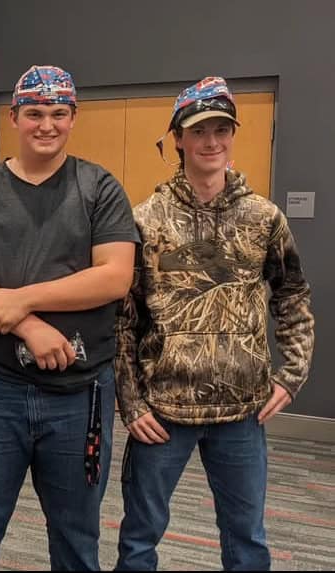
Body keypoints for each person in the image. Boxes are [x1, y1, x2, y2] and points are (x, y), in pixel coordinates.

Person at [0, 65, 138, 571]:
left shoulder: (100, 188)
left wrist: (22, 298)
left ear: (73, 117)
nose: (45, 124)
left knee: (76, 534)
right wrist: (28, 324)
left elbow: (114, 277)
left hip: (79, 391)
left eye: (57, 113)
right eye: (34, 113)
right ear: (14, 118)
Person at [114, 77, 315, 571]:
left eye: (222, 129)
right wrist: (131, 401)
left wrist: (292, 373)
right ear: (177, 138)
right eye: (199, 130)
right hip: (163, 411)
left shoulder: (263, 217)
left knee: (247, 539)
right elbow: (123, 320)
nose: (212, 140)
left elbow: (292, 294)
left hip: (242, 412)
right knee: (139, 539)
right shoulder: (145, 221)